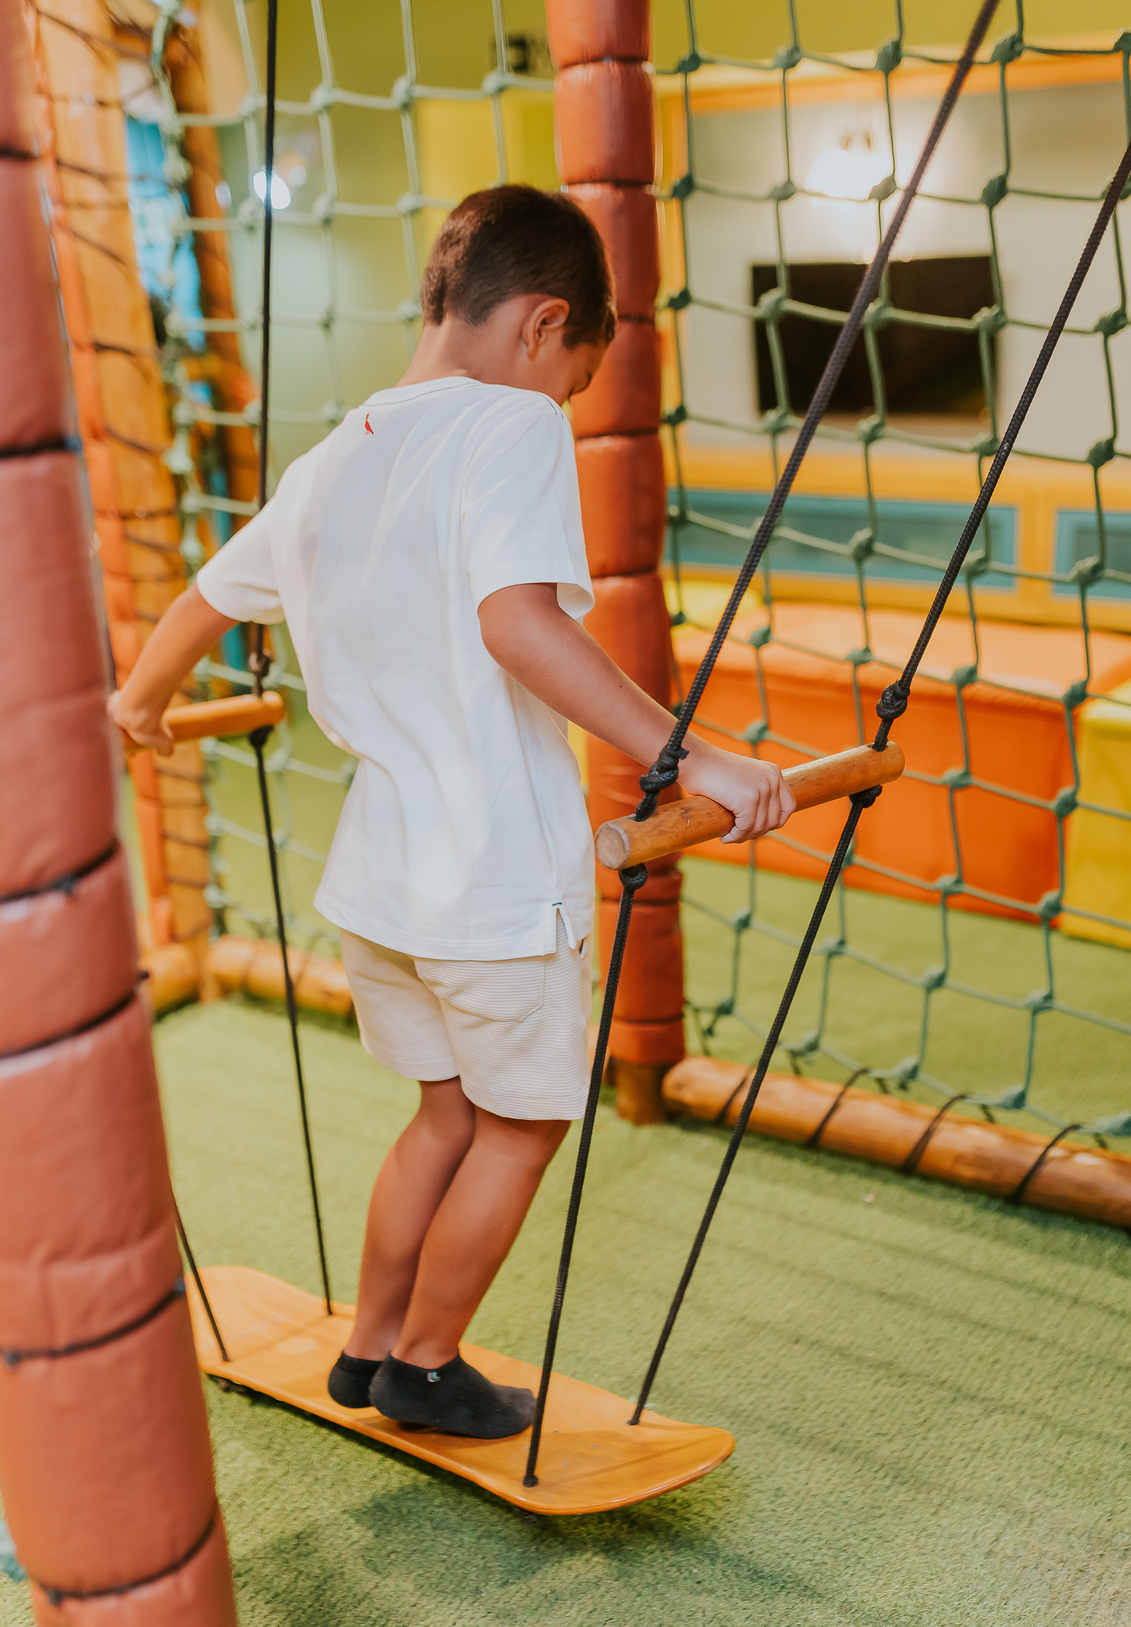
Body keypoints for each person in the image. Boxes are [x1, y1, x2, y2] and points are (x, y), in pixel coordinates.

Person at [110, 185, 795, 1440]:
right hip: (492, 881)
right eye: (577, 380)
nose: (565, 406)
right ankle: (426, 1363)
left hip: (381, 882)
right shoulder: (511, 430)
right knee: (522, 1128)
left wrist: (146, 705)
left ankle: (367, 1351)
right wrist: (690, 756)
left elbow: (205, 605)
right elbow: (517, 623)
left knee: (444, 1117)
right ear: (545, 326)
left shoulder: (338, 456)